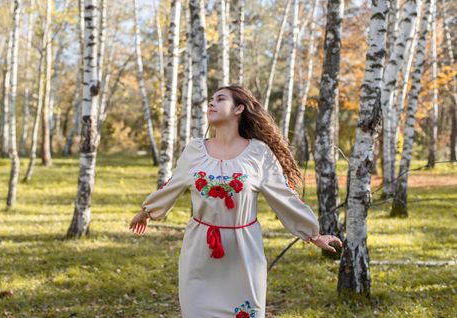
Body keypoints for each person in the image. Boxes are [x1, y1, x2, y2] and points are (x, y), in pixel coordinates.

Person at [129, 85, 342, 317]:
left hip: (244, 255)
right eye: (210, 99)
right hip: (199, 254)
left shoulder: (258, 153)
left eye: (220, 99)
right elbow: (173, 184)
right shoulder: (195, 150)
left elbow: (284, 196)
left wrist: (312, 233)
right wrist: (147, 211)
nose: (211, 103)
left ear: (239, 108)